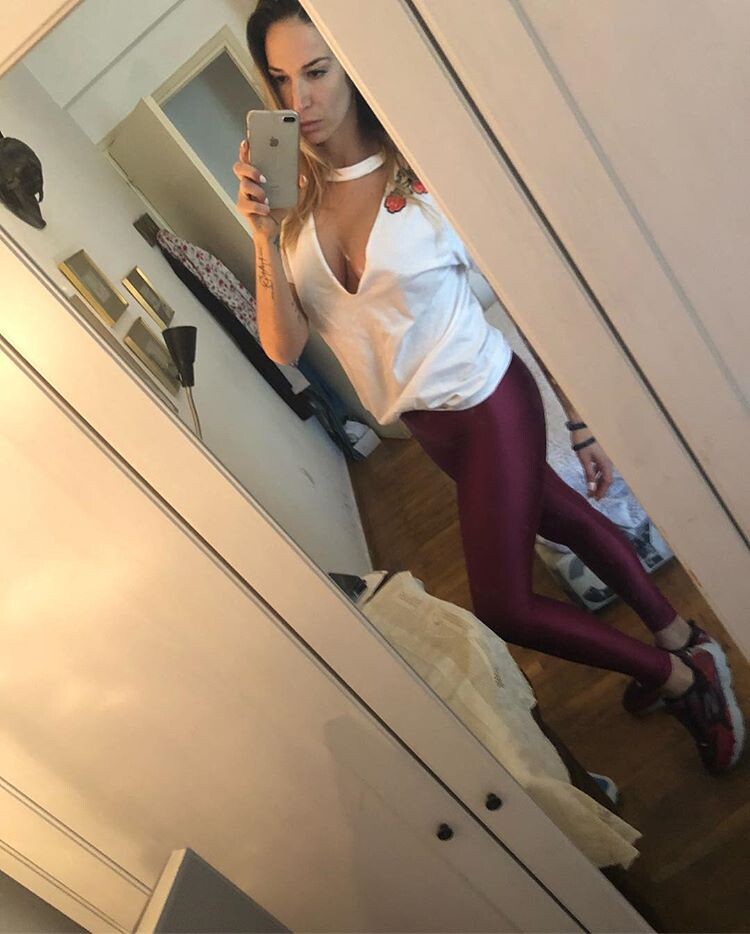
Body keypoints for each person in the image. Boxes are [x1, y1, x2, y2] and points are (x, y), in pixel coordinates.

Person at [234, 0, 744, 774]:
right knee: (568, 518)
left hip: (490, 401)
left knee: (505, 606)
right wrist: (263, 236)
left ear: (351, 69)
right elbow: (284, 345)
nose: (298, 99)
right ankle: (680, 635)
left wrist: (578, 419)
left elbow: (530, 294)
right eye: (279, 80)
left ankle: (682, 678)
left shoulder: (425, 176)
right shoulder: (290, 211)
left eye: (316, 71)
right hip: (431, 428)